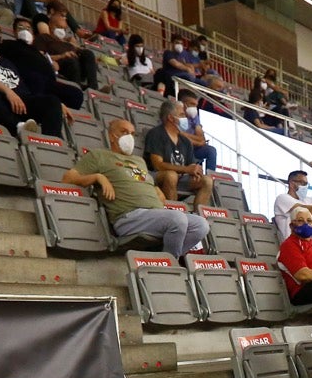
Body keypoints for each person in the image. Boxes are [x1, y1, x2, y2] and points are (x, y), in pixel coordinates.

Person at [63, 119, 208, 260]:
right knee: (177, 219)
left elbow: (141, 181)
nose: (129, 137)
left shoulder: (138, 161)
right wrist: (97, 177)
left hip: (153, 214)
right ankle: (169, 264)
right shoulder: (99, 156)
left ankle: (162, 257)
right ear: (111, 136)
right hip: (128, 217)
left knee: (201, 225)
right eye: (124, 132)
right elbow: (68, 178)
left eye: (132, 133)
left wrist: (155, 189)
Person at [143, 99, 208, 209]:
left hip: (181, 178)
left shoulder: (185, 140)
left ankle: (199, 217)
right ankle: (173, 213)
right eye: (182, 115)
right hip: (155, 176)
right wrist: (186, 169)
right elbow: (157, 165)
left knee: (207, 181)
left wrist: (195, 170)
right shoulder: (156, 134)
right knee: (171, 175)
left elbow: (191, 163)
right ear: (170, 117)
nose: (186, 119)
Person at [35, 6, 100, 92]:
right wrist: (61, 56)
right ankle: (77, 89)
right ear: (50, 25)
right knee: (71, 59)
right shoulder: (44, 38)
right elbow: (40, 56)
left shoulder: (67, 43)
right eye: (58, 27)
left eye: (63, 28)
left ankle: (93, 88)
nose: (61, 30)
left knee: (88, 53)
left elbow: (83, 54)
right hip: (59, 65)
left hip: (76, 66)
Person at [175, 91, 216, 172]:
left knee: (211, 150)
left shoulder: (194, 116)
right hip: (179, 148)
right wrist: (198, 142)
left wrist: (184, 134)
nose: (195, 108)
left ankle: (210, 176)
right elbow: (177, 136)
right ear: (183, 104)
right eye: (192, 104)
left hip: (194, 149)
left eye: (196, 105)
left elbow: (201, 138)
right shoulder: (175, 113)